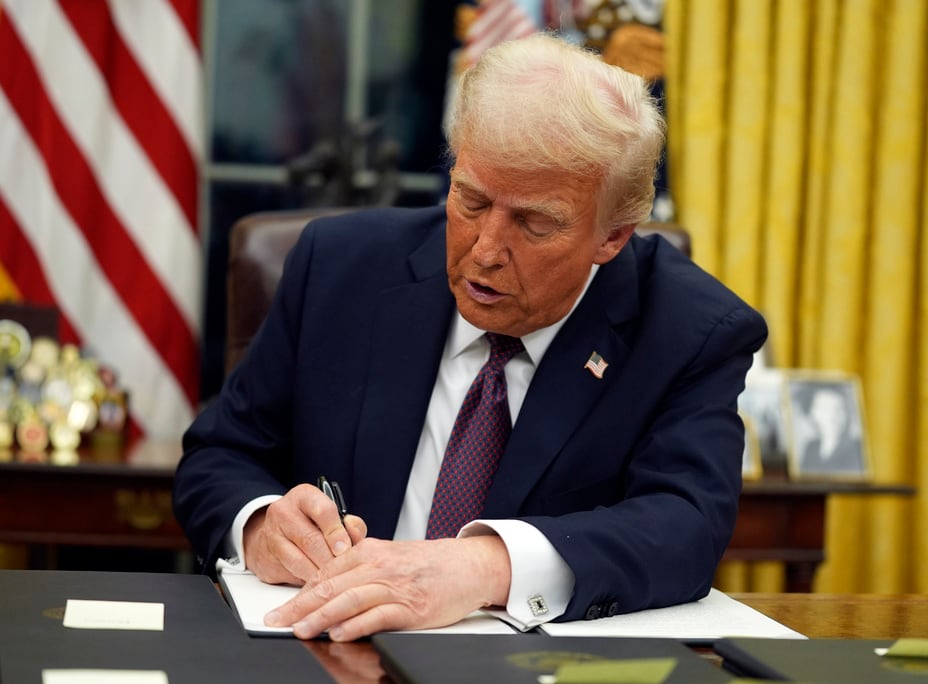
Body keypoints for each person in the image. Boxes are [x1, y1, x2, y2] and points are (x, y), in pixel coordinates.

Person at [172, 33, 767, 643]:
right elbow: (220, 455)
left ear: (611, 236)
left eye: (535, 223)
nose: (485, 252)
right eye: (471, 200)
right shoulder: (339, 269)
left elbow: (686, 526)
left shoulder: (690, 331)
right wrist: (262, 524)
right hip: (324, 651)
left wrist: (487, 565)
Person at [792, 383, 864, 475]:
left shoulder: (857, 448)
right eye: (825, 408)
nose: (833, 416)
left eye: (839, 408)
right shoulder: (811, 448)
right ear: (812, 414)